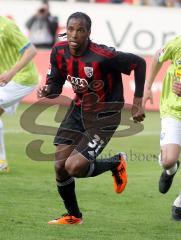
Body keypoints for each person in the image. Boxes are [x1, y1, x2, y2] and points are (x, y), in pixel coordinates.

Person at [37, 12, 146, 224]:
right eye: (70, 29)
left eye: (80, 30)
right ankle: (74, 216)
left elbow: (139, 64)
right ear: (65, 29)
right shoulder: (58, 51)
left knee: (74, 167)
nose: (74, 34)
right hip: (78, 109)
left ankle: (115, 163)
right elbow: (56, 84)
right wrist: (48, 90)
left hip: (105, 115)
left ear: (88, 33)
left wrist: (138, 102)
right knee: (60, 166)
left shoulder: (103, 56)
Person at [143, 36, 181, 221]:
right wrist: (148, 87)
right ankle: (170, 169)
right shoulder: (177, 44)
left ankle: (179, 203)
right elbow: (157, 56)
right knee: (168, 160)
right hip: (173, 110)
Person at [0, 16, 39, 172]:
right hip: (6, 80)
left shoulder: (6, 26)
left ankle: (1, 161)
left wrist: (11, 73)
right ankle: (2, 162)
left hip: (22, 78)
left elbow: (31, 51)